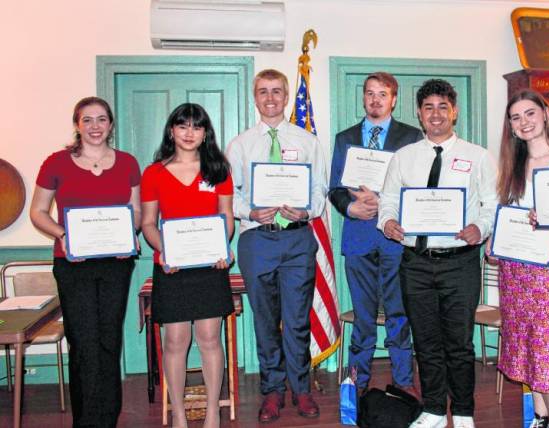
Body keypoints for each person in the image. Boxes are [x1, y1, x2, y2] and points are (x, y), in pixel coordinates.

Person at [378, 79, 498, 428]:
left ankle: (462, 411)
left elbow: (491, 205)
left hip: (460, 262)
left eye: (442, 107)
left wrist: (481, 227)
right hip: (415, 262)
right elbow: (387, 201)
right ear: (418, 113)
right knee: (426, 340)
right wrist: (387, 222)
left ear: (454, 111)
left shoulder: (478, 157)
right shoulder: (404, 157)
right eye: (428, 107)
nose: (435, 114)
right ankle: (432, 408)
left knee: (459, 343)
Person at [29, 96, 140, 427]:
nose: (95, 126)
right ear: (77, 125)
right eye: (87, 120)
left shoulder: (128, 163)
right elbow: (37, 212)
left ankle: (108, 418)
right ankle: (86, 421)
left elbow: (135, 212)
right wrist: (63, 234)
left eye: (102, 119)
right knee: (83, 342)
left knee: (109, 340)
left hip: (115, 263)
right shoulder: (56, 163)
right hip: (73, 264)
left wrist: (128, 235)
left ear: (111, 124)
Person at [225, 68, 328, 423]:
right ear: (255, 98)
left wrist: (307, 209)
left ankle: (301, 389)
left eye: (277, 92)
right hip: (257, 239)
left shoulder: (307, 141)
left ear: (286, 97)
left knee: (297, 320)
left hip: (297, 237)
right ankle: (272, 391)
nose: (270, 98)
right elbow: (230, 197)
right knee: (266, 320)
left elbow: (319, 194)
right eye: (263, 92)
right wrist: (249, 210)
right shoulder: (240, 145)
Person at [140, 103, 235, 428]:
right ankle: (178, 413)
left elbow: (226, 216)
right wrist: (164, 251)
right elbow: (149, 223)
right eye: (183, 126)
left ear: (205, 132)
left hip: (210, 265)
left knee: (210, 338)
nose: (189, 133)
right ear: (172, 131)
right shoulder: (153, 172)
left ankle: (212, 411)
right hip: (172, 267)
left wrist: (224, 247)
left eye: (197, 127)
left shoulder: (218, 168)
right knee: (175, 341)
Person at [329, 71, 422, 394]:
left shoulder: (412, 137)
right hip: (358, 237)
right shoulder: (345, 138)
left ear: (393, 99)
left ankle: (403, 384)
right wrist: (349, 207)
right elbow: (335, 189)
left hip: (395, 238)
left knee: (399, 314)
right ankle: (357, 383)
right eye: (370, 93)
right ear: (363, 98)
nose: (375, 100)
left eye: (382, 94)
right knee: (363, 319)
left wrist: (386, 202)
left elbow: (418, 186)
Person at [489, 89, 549, 428]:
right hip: (516, 270)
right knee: (527, 345)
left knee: (547, 348)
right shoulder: (513, 165)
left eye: (529, 113)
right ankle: (539, 417)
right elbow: (508, 213)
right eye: (515, 117)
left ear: (544, 114)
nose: (523, 122)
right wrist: (494, 241)